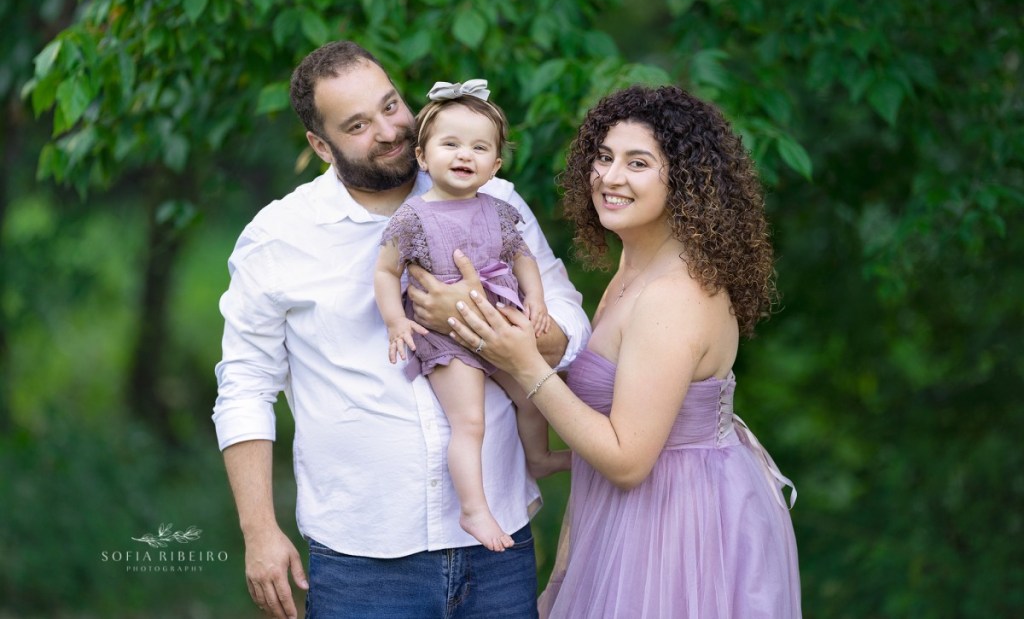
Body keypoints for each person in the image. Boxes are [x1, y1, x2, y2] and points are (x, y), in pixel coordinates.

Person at [213, 41, 590, 619]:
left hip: (499, 546)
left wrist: (481, 320)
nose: (388, 130)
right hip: (363, 560)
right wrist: (260, 531)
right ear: (320, 144)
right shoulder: (279, 237)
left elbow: (568, 323)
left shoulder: (494, 200)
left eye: (391, 106)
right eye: (358, 124)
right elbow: (244, 386)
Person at [448, 84, 802, 618]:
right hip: (626, 519)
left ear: (684, 181)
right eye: (604, 157)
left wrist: (524, 360)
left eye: (638, 163)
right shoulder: (634, 267)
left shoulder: (674, 295)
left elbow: (626, 460)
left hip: (677, 534)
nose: (610, 178)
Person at [374, 79, 566, 553]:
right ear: (422, 156)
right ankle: (474, 510)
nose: (465, 155)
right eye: (451, 144)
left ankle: (538, 458)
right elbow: (384, 272)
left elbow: (523, 258)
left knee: (534, 392)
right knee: (470, 423)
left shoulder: (499, 209)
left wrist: (537, 301)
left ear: (495, 165)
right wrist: (397, 322)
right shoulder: (413, 218)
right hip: (448, 340)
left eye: (479, 148)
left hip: (499, 325)